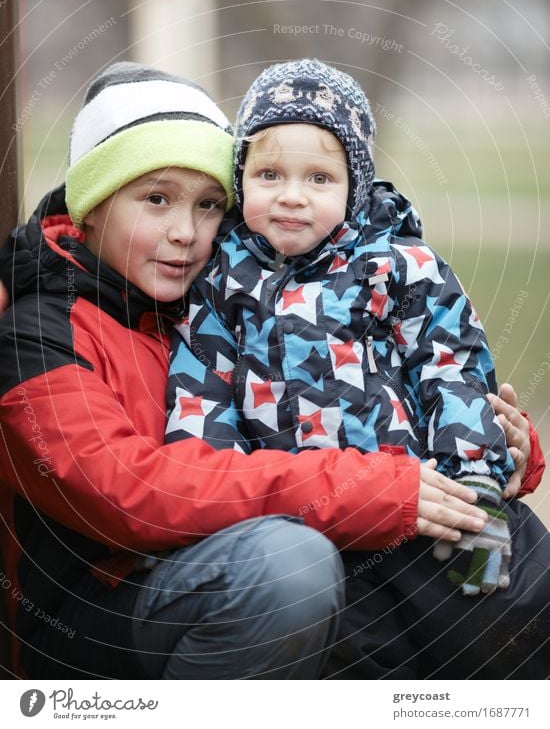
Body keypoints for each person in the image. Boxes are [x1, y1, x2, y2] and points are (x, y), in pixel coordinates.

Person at [0, 61, 493, 680]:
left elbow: (356, 388)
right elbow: (129, 492)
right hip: (99, 617)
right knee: (288, 565)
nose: (184, 232)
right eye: (156, 199)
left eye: (208, 206)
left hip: (224, 563)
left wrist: (494, 449)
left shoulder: (215, 292)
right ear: (93, 205)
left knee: (483, 582)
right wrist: (364, 489)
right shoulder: (33, 336)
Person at [165, 59, 550, 676]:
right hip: (302, 516)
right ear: (242, 179)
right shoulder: (220, 281)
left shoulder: (397, 266)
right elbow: (201, 388)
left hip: (414, 499)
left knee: (492, 625)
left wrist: (474, 473)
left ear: (355, 186)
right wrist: (215, 510)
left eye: (319, 177)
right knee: (352, 655)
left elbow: (450, 366)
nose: (291, 194)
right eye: (269, 174)